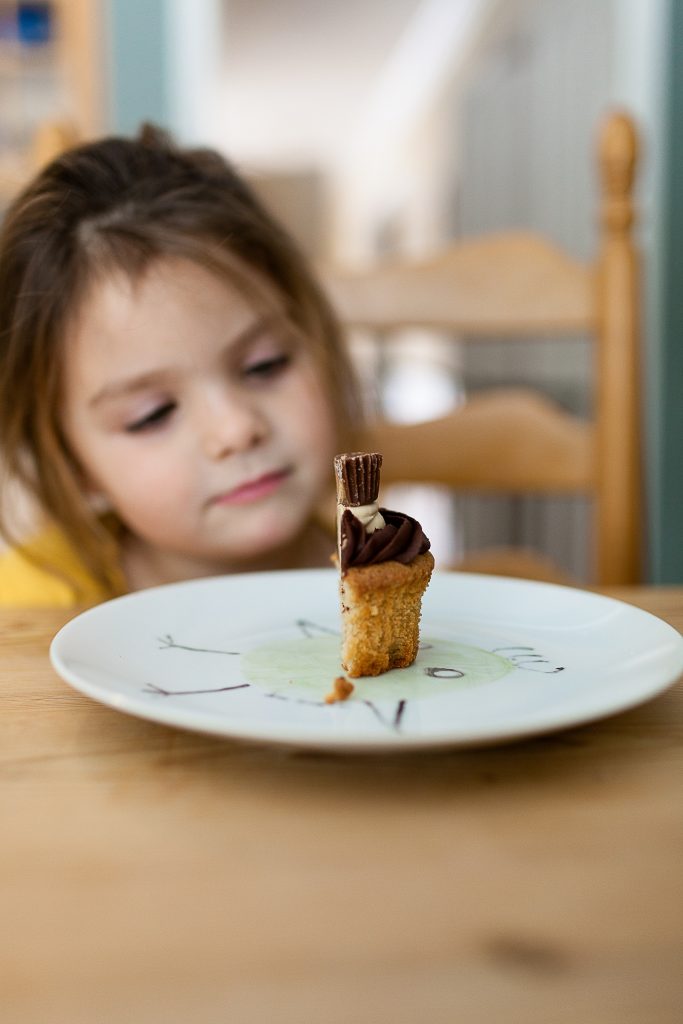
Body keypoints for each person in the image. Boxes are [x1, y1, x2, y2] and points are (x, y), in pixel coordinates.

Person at [0, 125, 360, 607]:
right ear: (72, 466)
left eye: (264, 366)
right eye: (152, 414)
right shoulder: (23, 611)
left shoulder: (386, 569)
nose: (235, 429)